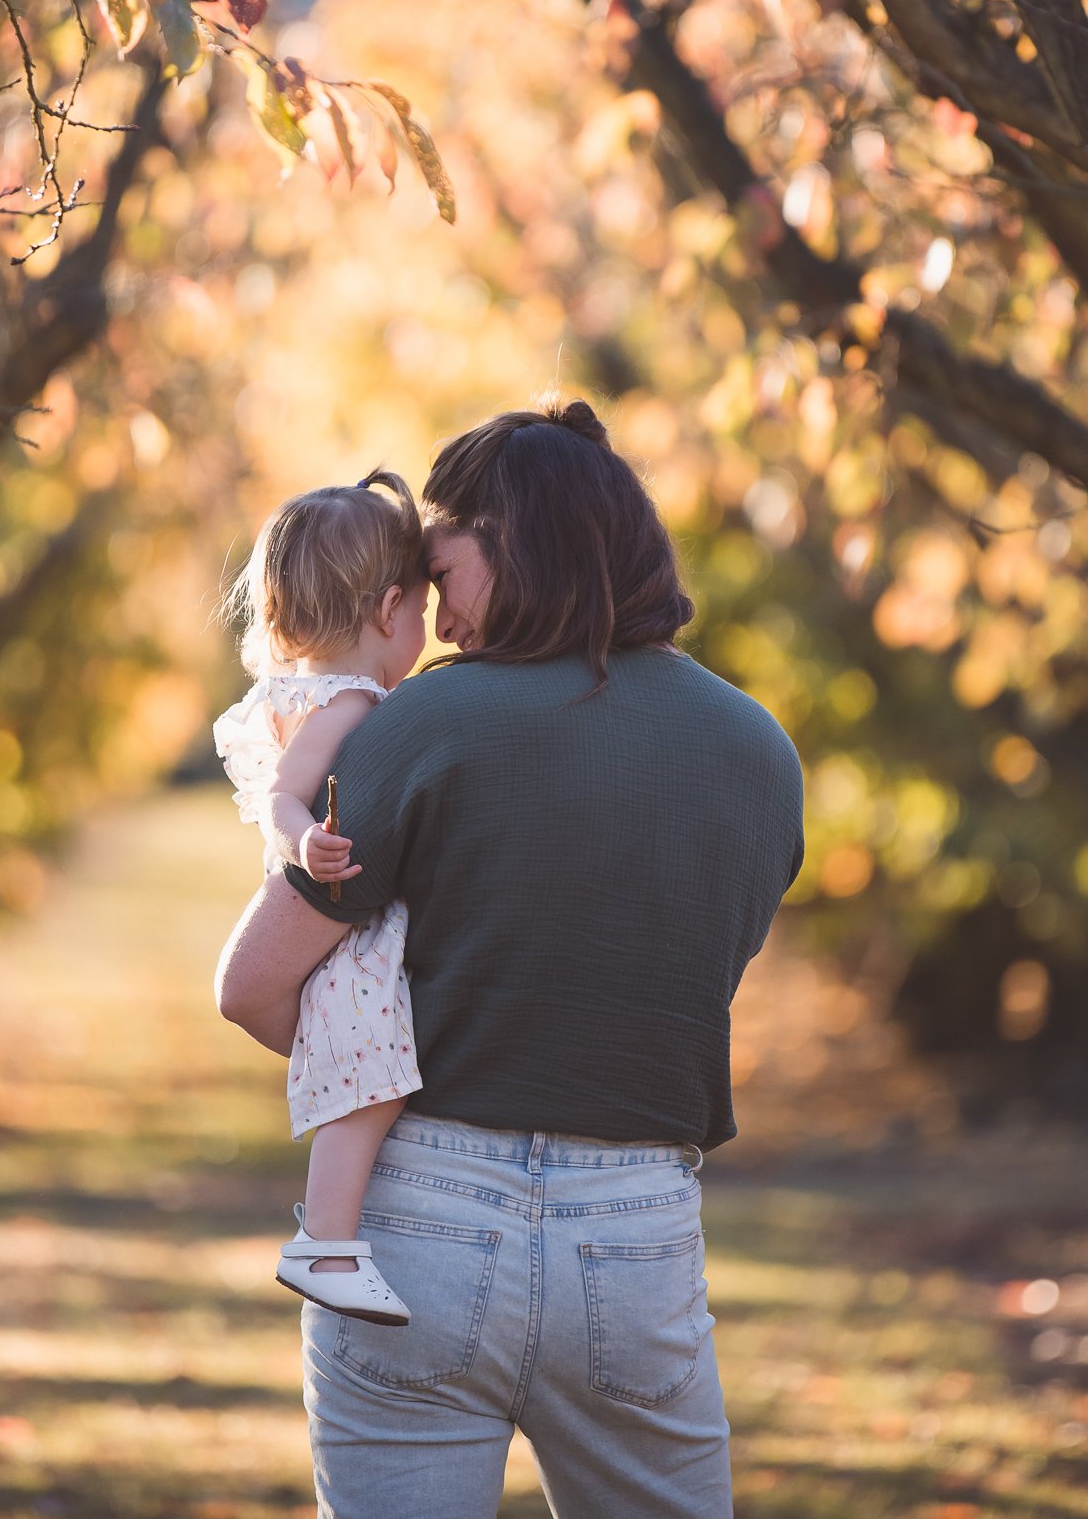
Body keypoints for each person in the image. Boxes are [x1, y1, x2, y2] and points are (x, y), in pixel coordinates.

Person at [214, 399, 805, 1519]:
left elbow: (252, 983)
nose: (431, 613)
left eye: (444, 569)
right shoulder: (757, 751)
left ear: (520, 543)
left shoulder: (426, 725)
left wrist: (378, 1045)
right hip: (637, 1225)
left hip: (420, 1221)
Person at [212, 470, 436, 1326]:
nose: (426, 626)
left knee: (361, 1064)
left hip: (339, 910)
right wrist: (305, 839)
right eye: (420, 609)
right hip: (346, 922)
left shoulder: (342, 694)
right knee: (369, 1079)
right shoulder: (348, 702)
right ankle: (328, 1242)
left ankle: (334, 1238)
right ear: (388, 610)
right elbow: (283, 795)